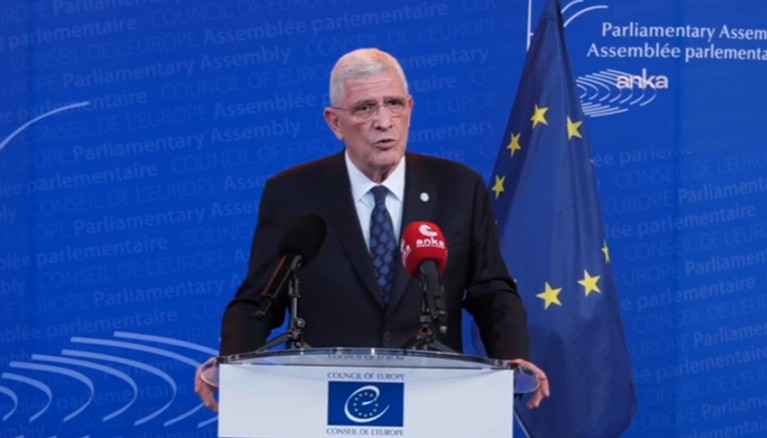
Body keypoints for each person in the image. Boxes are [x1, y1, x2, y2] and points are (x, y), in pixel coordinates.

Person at [195, 48, 549, 411]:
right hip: (323, 402)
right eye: (364, 108)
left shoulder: (459, 188)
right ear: (335, 122)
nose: (383, 121)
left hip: (433, 398)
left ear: (410, 107)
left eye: (393, 103)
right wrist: (232, 364)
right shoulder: (292, 194)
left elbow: (491, 291)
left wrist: (514, 358)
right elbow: (259, 300)